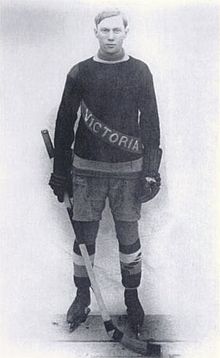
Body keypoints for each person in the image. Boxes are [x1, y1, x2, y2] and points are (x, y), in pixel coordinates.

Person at [49, 9, 162, 336]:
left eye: (116, 30)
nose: (111, 35)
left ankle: (132, 300)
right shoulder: (80, 72)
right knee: (84, 238)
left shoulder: (140, 71)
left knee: (129, 237)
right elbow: (63, 124)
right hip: (86, 171)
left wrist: (151, 171)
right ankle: (81, 298)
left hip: (129, 171)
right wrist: (60, 172)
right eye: (105, 30)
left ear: (126, 32)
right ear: (96, 32)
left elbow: (151, 124)